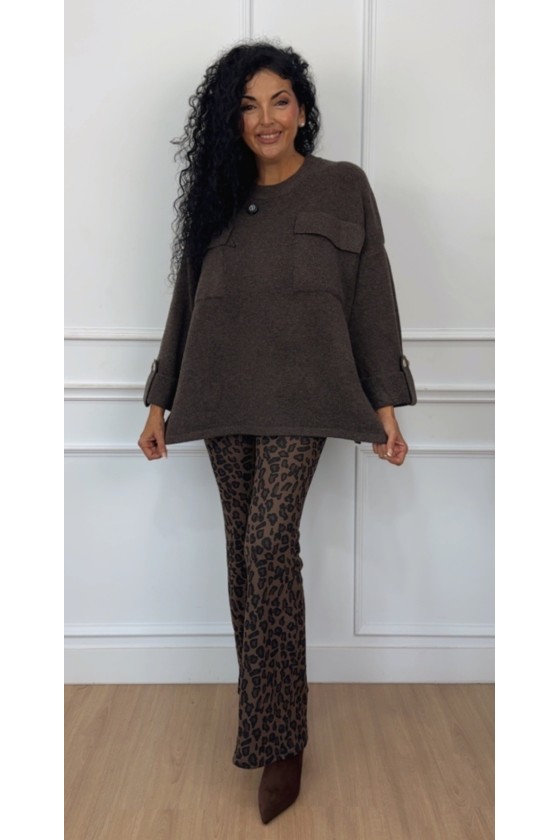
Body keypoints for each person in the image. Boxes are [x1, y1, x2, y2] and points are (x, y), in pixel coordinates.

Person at [138, 41, 417, 825]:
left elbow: (371, 295)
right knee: (244, 557)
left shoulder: (342, 185)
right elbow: (186, 303)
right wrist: (159, 399)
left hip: (307, 394)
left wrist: (385, 404)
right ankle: (267, 725)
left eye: (280, 101)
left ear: (302, 109)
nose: (265, 118)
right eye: (248, 105)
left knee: (268, 544)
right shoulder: (216, 201)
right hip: (221, 392)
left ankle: (284, 737)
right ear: (230, 120)